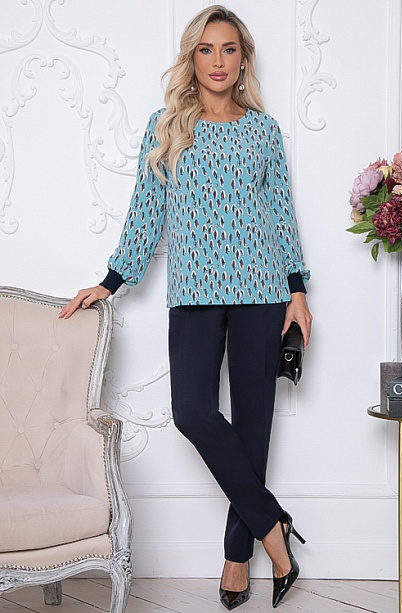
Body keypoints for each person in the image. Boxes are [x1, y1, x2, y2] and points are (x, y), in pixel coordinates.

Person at [59, 5, 313, 610]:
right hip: (195, 294)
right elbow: (146, 211)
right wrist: (110, 281)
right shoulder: (166, 126)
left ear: (243, 60)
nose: (218, 61)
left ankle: (236, 557)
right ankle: (273, 524)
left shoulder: (264, 130)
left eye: (229, 49)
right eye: (206, 49)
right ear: (191, 58)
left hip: (261, 292)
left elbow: (281, 214)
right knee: (192, 412)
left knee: (253, 429)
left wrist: (298, 292)